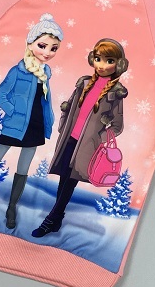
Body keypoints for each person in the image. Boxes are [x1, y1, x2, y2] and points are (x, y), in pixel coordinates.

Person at [0, 13, 63, 228]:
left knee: (23, 169)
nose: (47, 52)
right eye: (42, 46)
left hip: (35, 127)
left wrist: (49, 120)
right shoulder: (18, 71)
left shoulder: (46, 73)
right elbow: (0, 94)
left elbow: (43, 102)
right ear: (30, 44)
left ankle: (11, 208)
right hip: (15, 125)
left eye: (53, 48)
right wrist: (12, 111)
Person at [32, 38, 128, 238]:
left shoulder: (115, 94)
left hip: (87, 147)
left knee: (70, 182)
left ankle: (50, 220)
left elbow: (117, 126)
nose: (102, 65)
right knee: (63, 178)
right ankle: (57, 219)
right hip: (69, 140)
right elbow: (68, 106)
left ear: (118, 65)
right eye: (98, 59)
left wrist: (98, 138)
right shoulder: (83, 83)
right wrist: (63, 125)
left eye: (109, 61)